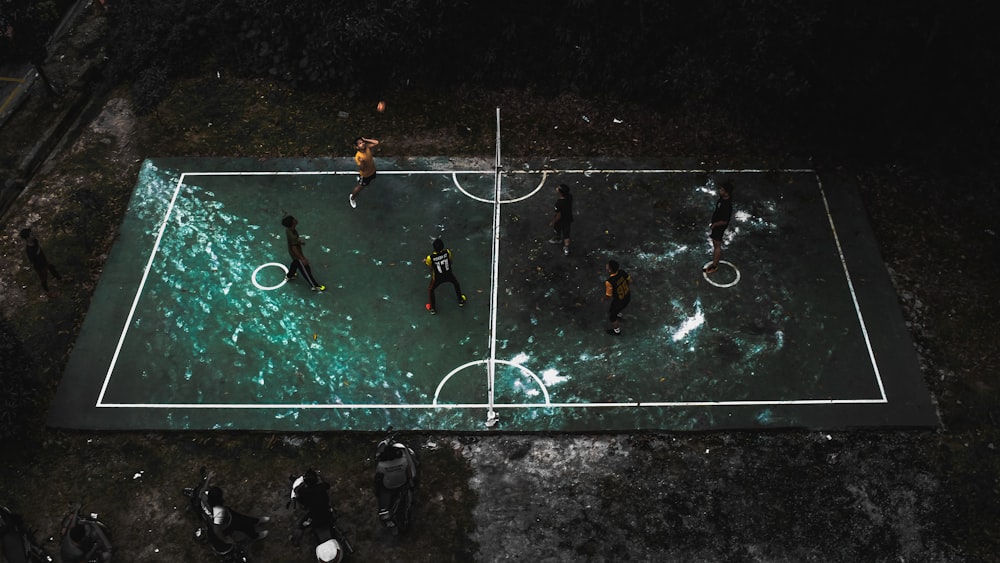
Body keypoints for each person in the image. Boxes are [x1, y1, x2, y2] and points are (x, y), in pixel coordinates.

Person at [201, 484, 270, 543]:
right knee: (245, 526)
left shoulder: (204, 498)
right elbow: (216, 529)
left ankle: (256, 521)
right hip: (228, 523)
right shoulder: (218, 511)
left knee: (243, 517)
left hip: (227, 515)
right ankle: (255, 536)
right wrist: (225, 540)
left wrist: (209, 478)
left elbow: (202, 491)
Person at [289, 469, 336, 546]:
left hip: (313, 517)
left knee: (301, 525)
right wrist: (319, 476)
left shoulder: (303, 492)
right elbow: (327, 485)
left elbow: (296, 491)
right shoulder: (322, 487)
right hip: (327, 514)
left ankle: (296, 541)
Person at [281, 215, 325, 291]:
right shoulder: (292, 236)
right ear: (292, 223)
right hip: (297, 255)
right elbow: (294, 248)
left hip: (293, 254)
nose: (295, 219)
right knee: (306, 269)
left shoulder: (289, 230)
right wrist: (302, 259)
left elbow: (293, 242)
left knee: (295, 263)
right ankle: (314, 285)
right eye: (294, 219)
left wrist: (298, 242)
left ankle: (290, 275)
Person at [424, 238, 466, 314]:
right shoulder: (447, 252)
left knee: (431, 290)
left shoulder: (430, 258)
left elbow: (431, 268)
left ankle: (432, 308)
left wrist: (426, 262)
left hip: (437, 277)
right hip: (448, 274)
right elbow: (451, 261)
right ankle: (461, 300)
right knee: (456, 283)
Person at [704, 181, 733, 274]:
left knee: (717, 245)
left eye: (722, 190)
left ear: (726, 192)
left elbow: (724, 220)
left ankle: (714, 266)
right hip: (716, 224)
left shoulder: (727, 205)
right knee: (715, 242)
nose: (719, 190)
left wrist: (714, 225)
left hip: (719, 227)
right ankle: (714, 262)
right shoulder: (722, 199)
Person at [19, 227, 61, 293]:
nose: (33, 235)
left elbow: (38, 246)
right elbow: (32, 260)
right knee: (43, 278)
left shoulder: (35, 241)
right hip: (39, 266)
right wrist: (37, 254)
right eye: (31, 235)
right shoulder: (29, 250)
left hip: (44, 260)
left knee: (51, 267)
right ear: (27, 238)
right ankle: (47, 291)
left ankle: (60, 279)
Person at [602, 259, 632, 336]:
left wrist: (603, 299)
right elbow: (630, 280)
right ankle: (619, 316)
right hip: (627, 296)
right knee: (618, 309)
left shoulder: (609, 281)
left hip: (619, 301)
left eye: (607, 266)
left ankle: (616, 331)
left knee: (612, 316)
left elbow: (608, 295)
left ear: (609, 270)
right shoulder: (622, 272)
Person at [349, 136, 380, 208]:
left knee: (370, 180)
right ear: (357, 147)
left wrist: (366, 139)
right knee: (360, 187)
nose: (362, 143)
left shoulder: (367, 148)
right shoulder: (358, 157)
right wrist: (362, 163)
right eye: (360, 143)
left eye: (362, 142)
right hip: (366, 175)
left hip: (372, 171)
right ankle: (352, 197)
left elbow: (376, 142)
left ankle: (360, 178)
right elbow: (362, 169)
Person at [548, 183, 573, 256]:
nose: (556, 188)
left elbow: (559, 215)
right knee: (566, 234)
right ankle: (566, 248)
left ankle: (557, 239)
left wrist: (553, 221)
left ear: (560, 192)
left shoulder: (559, 203)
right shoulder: (570, 197)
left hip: (561, 220)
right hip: (568, 218)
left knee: (557, 230)